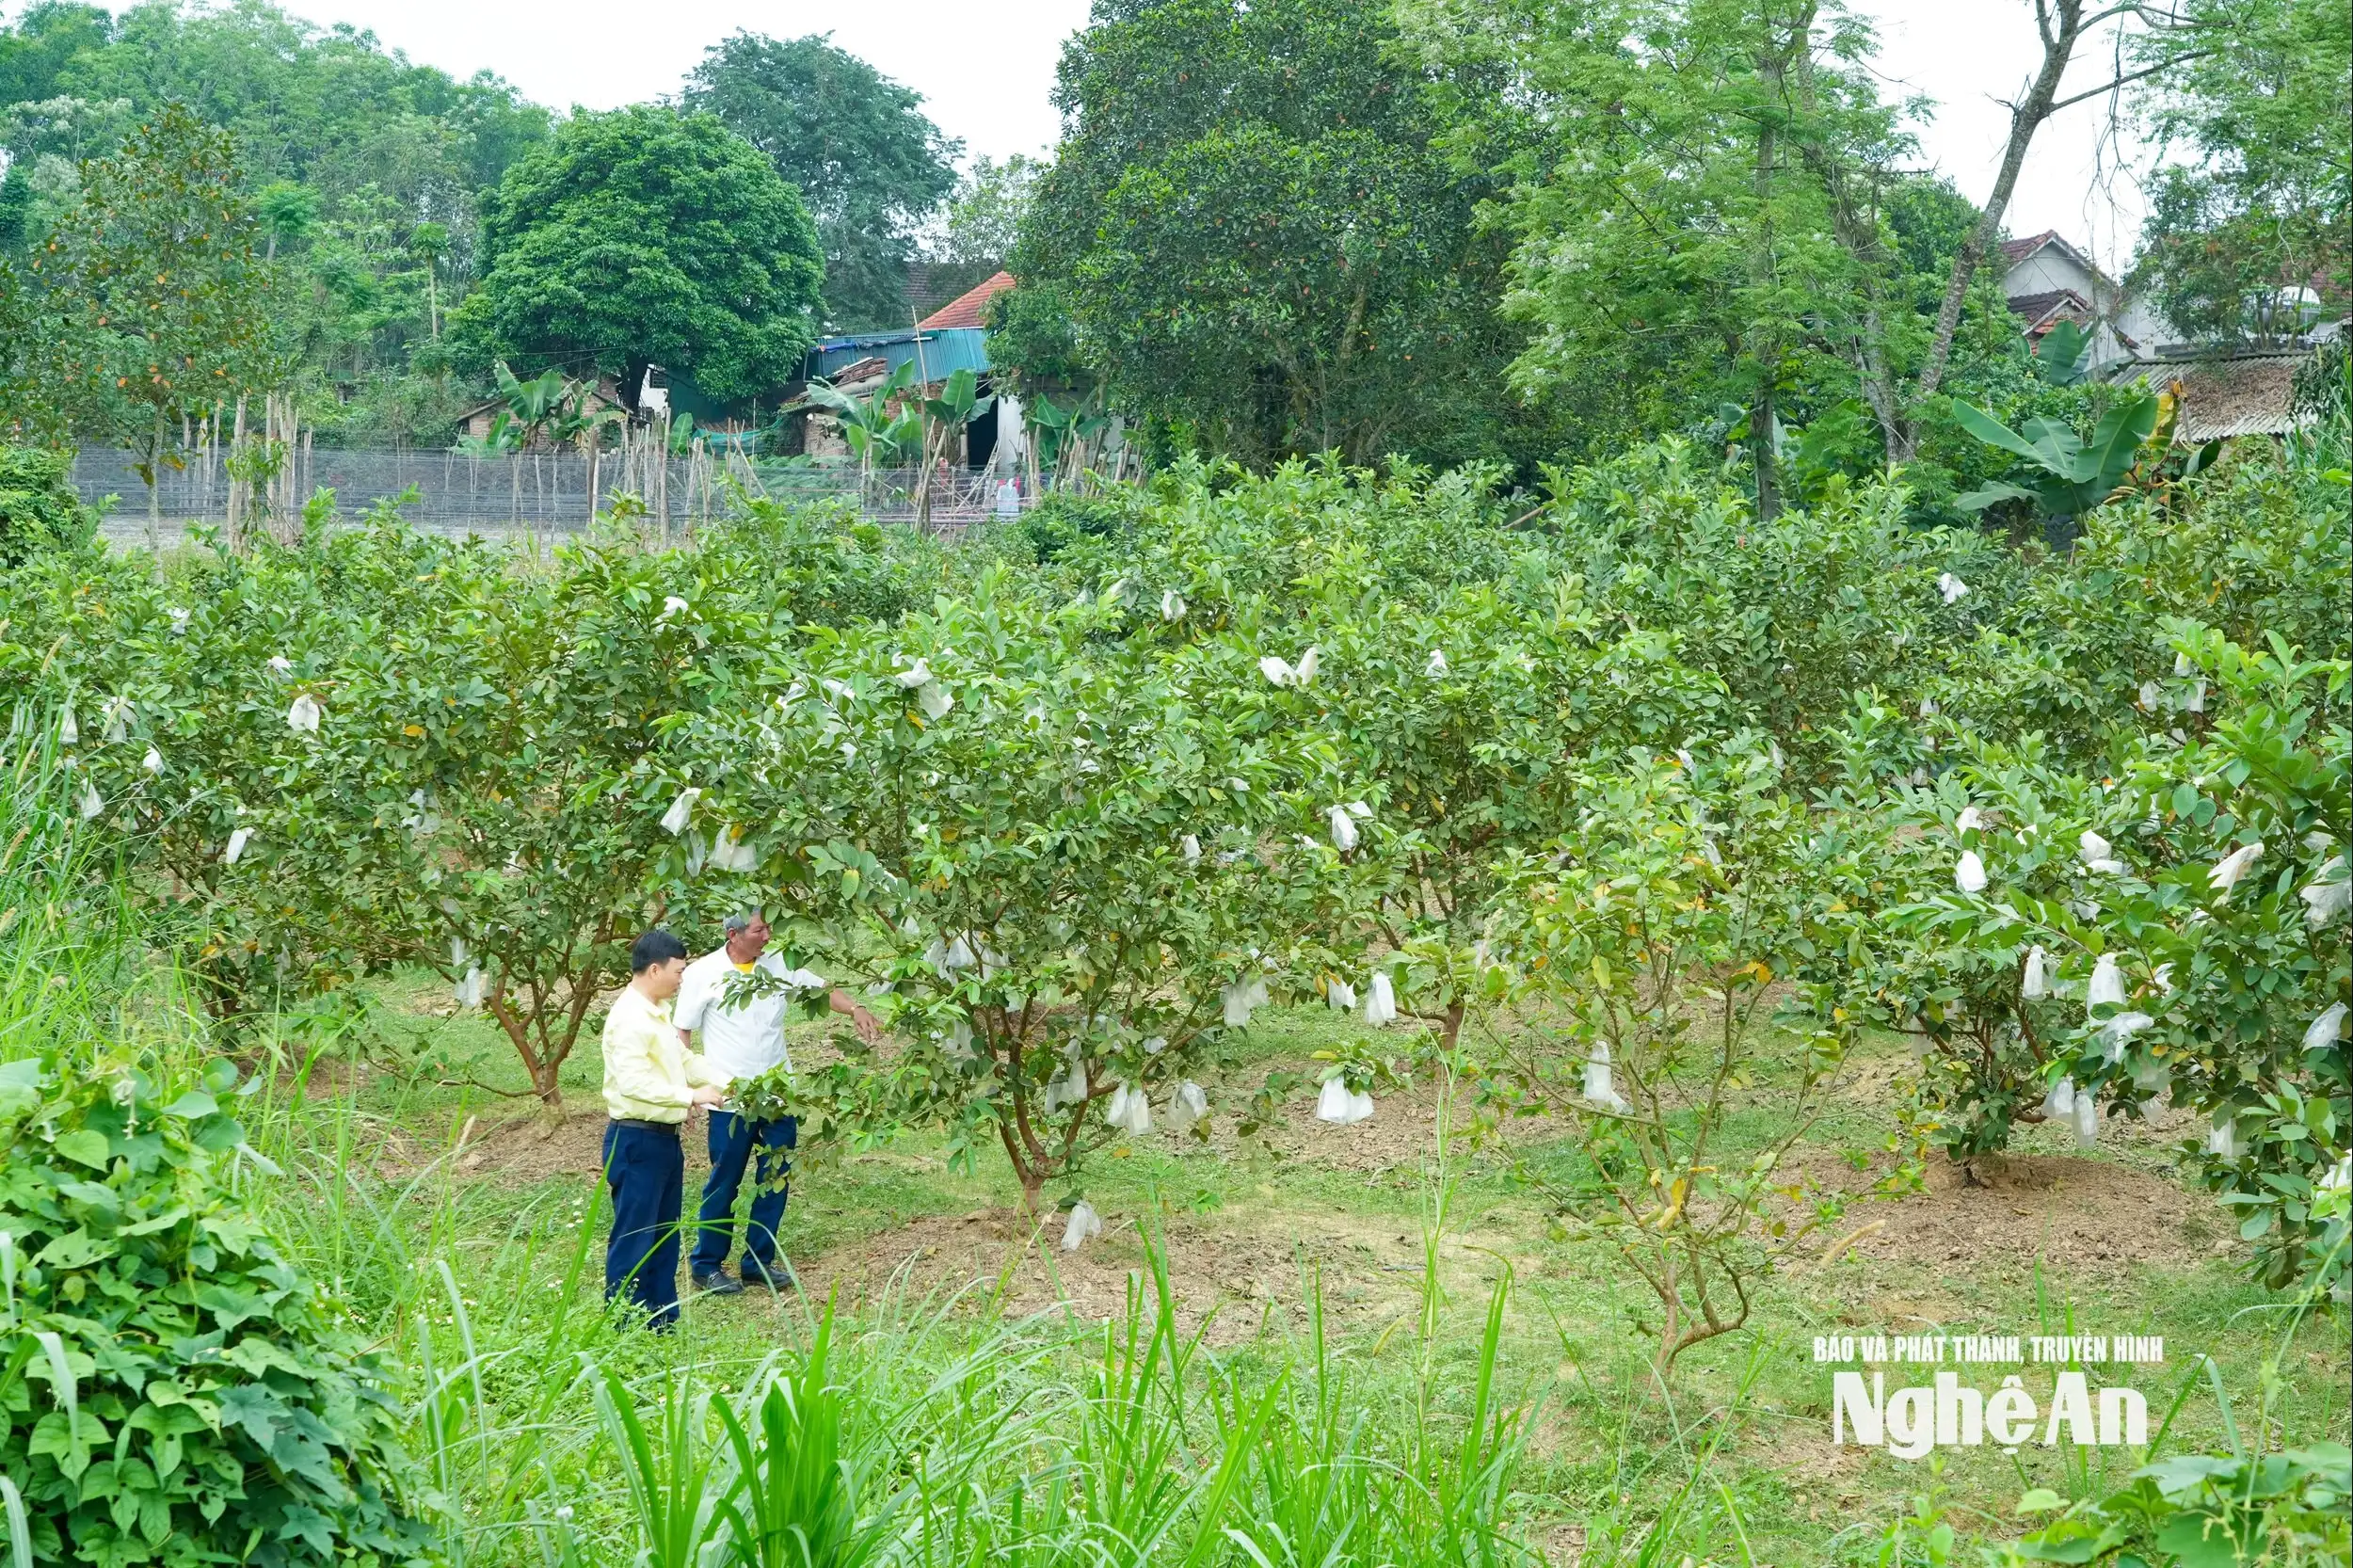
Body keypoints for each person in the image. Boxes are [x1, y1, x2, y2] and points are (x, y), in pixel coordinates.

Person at [676, 910, 881, 1295]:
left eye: (769, 928)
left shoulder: (779, 964)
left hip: (779, 1096)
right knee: (725, 1181)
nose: (768, 936)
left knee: (775, 1180)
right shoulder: (703, 973)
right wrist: (686, 1089)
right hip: (730, 1099)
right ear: (733, 934)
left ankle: (758, 1263)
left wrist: (856, 1008)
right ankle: (706, 1264)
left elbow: (821, 989)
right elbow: (682, 1031)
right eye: (759, 930)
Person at [600, 928, 727, 1330]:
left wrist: (731, 1079)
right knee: (635, 1238)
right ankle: (624, 1325)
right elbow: (633, 1083)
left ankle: (660, 1322)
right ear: (654, 970)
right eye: (678, 970)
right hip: (636, 1139)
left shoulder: (656, 1011)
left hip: (663, 1142)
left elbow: (683, 1060)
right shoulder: (629, 1018)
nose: (681, 978)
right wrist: (689, 1098)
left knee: (663, 1238)